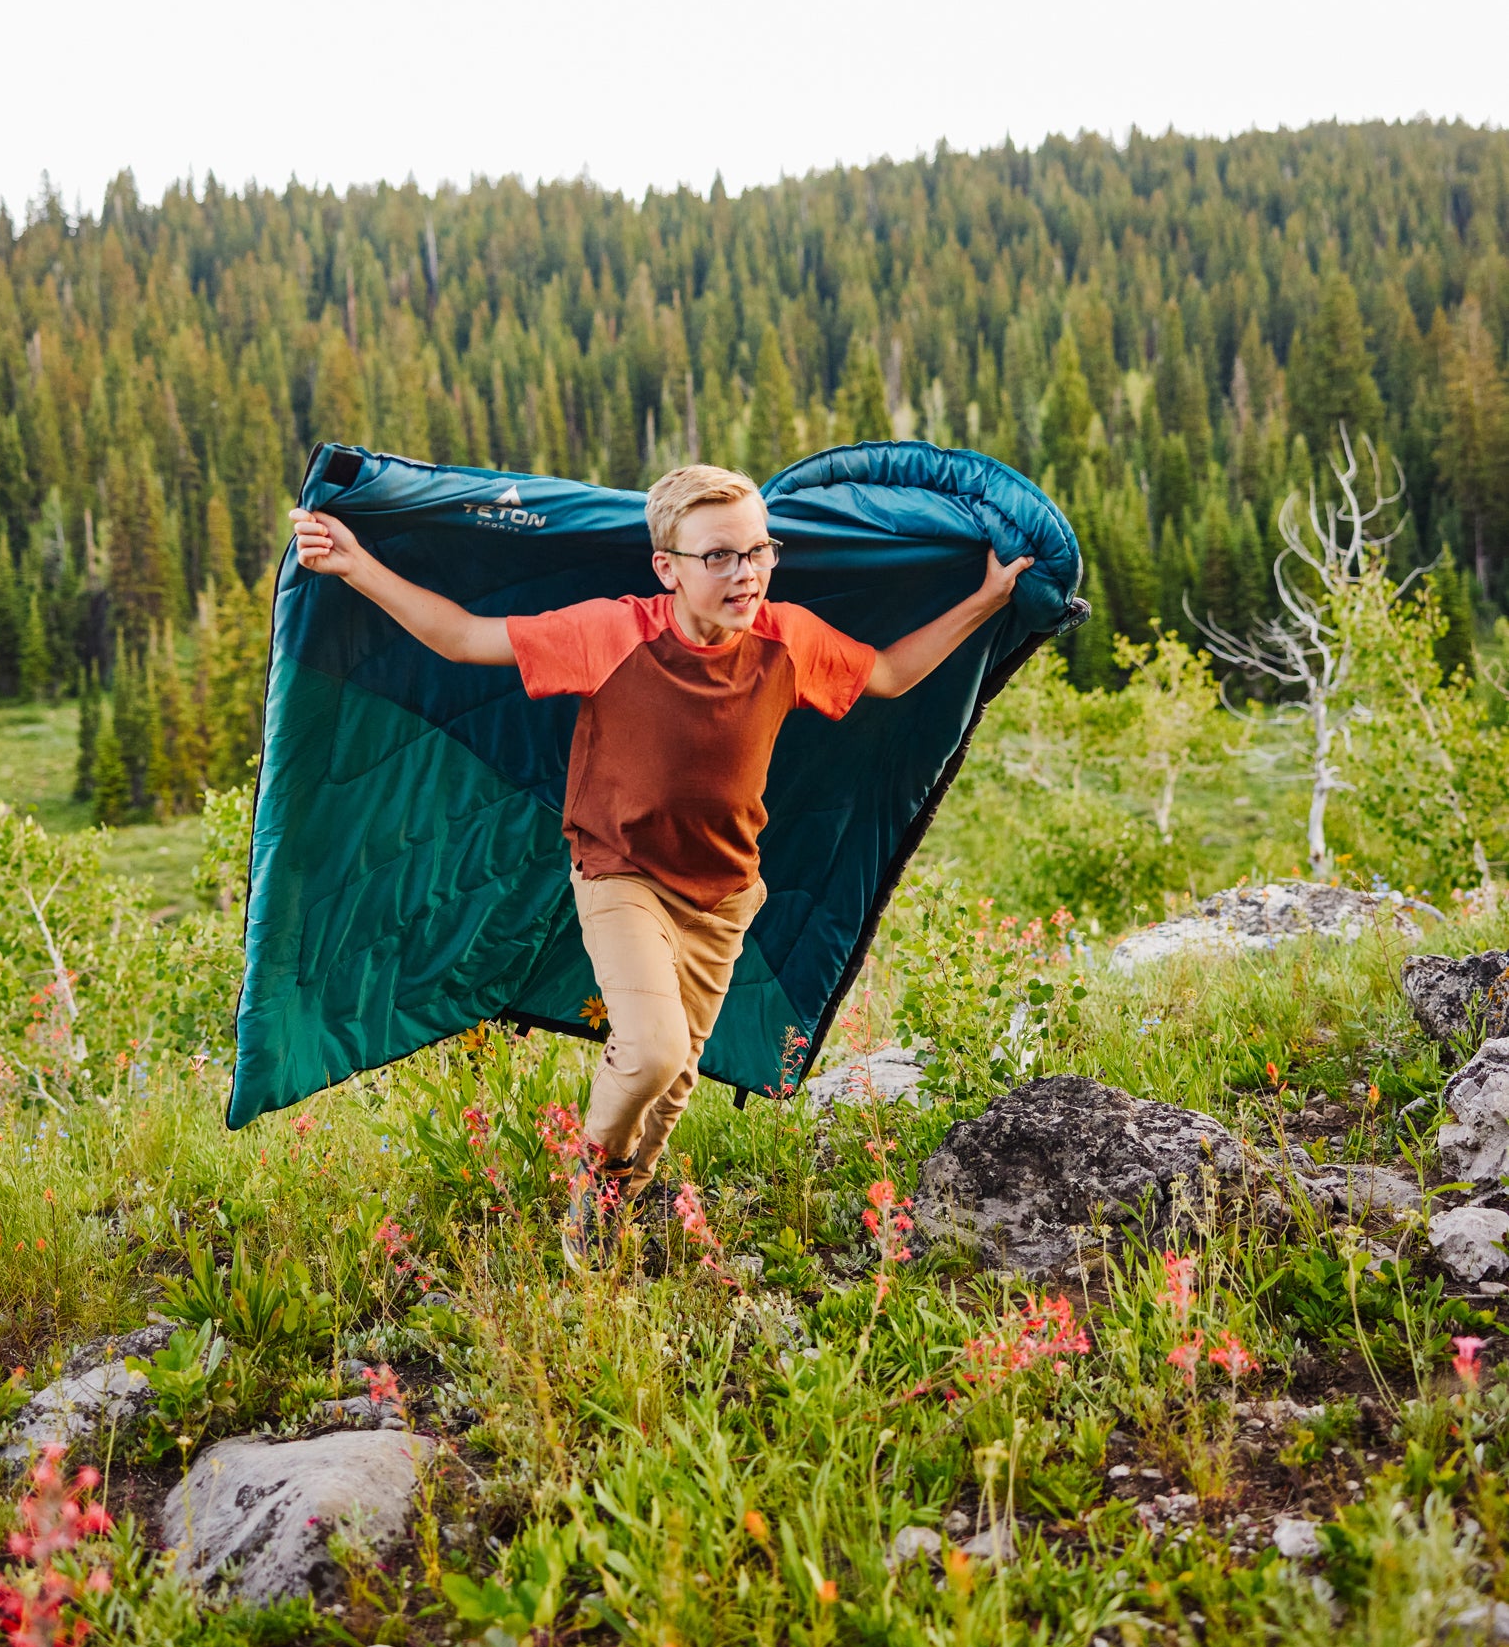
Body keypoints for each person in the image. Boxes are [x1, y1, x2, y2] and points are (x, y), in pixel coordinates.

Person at [289, 463, 1031, 1264]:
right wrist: (353, 564)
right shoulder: (613, 632)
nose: (743, 572)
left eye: (757, 551)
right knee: (653, 1050)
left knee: (672, 1088)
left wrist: (987, 601)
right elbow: (465, 637)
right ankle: (590, 1185)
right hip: (621, 875)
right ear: (667, 567)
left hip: (725, 895)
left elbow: (886, 673)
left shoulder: (787, 638)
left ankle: (614, 1217)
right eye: (718, 556)